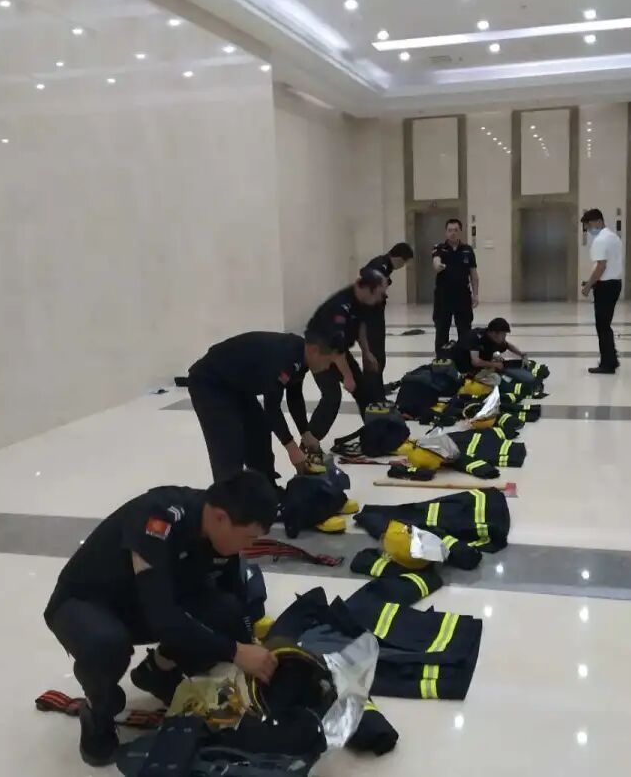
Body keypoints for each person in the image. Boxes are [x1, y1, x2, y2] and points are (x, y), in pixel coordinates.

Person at [44, 471, 280, 767]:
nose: (248, 547)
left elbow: (229, 597)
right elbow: (164, 618)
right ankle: (97, 709)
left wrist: (250, 648)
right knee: (108, 644)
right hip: (85, 603)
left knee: (226, 611)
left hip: (145, 603)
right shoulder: (158, 518)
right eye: (249, 538)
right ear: (221, 517)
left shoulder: (218, 529)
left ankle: (158, 672)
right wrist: (235, 651)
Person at [187, 331, 341, 488]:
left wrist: (305, 433)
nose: (327, 368)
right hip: (211, 383)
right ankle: (228, 497)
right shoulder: (287, 356)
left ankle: (266, 489)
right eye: (328, 361)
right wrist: (292, 448)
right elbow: (272, 407)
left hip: (237, 385)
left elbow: (294, 396)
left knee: (259, 431)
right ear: (315, 351)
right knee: (229, 444)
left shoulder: (302, 357)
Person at [306, 270, 389, 435]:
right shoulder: (340, 305)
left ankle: (375, 433)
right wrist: (347, 376)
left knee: (363, 390)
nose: (381, 298)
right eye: (380, 294)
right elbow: (335, 348)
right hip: (319, 353)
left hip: (339, 350)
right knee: (332, 397)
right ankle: (310, 441)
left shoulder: (362, 301)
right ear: (368, 289)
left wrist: (366, 352)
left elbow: (360, 326)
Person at [359, 242, 414, 392]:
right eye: (403, 263)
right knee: (375, 356)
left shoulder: (385, 265)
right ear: (398, 258)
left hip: (374, 314)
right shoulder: (381, 265)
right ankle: (372, 392)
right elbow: (365, 274)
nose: (402, 266)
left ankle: (374, 389)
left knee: (378, 356)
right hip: (369, 316)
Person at [580, 208, 624, 374]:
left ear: (598, 221)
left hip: (605, 286)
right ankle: (611, 359)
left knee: (602, 326)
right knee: (606, 325)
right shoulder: (614, 237)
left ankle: (607, 364)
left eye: (588, 225)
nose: (588, 229)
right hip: (615, 284)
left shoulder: (600, 240)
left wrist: (588, 286)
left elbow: (601, 266)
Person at [432, 218, 479, 355]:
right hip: (443, 296)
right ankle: (441, 358)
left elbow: (473, 274)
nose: (452, 233)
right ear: (446, 232)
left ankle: (464, 358)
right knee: (442, 329)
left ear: (460, 232)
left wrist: (476, 294)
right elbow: (436, 261)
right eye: (450, 230)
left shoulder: (468, 250)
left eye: (456, 230)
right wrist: (438, 266)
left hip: (462, 296)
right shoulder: (439, 248)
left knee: (465, 329)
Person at [450, 317, 525, 377]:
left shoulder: (492, 337)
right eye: (503, 335)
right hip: (463, 368)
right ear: (494, 333)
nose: (504, 337)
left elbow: (507, 345)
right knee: (497, 378)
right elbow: (475, 362)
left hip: (478, 365)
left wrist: (521, 354)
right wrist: (495, 365)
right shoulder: (475, 338)